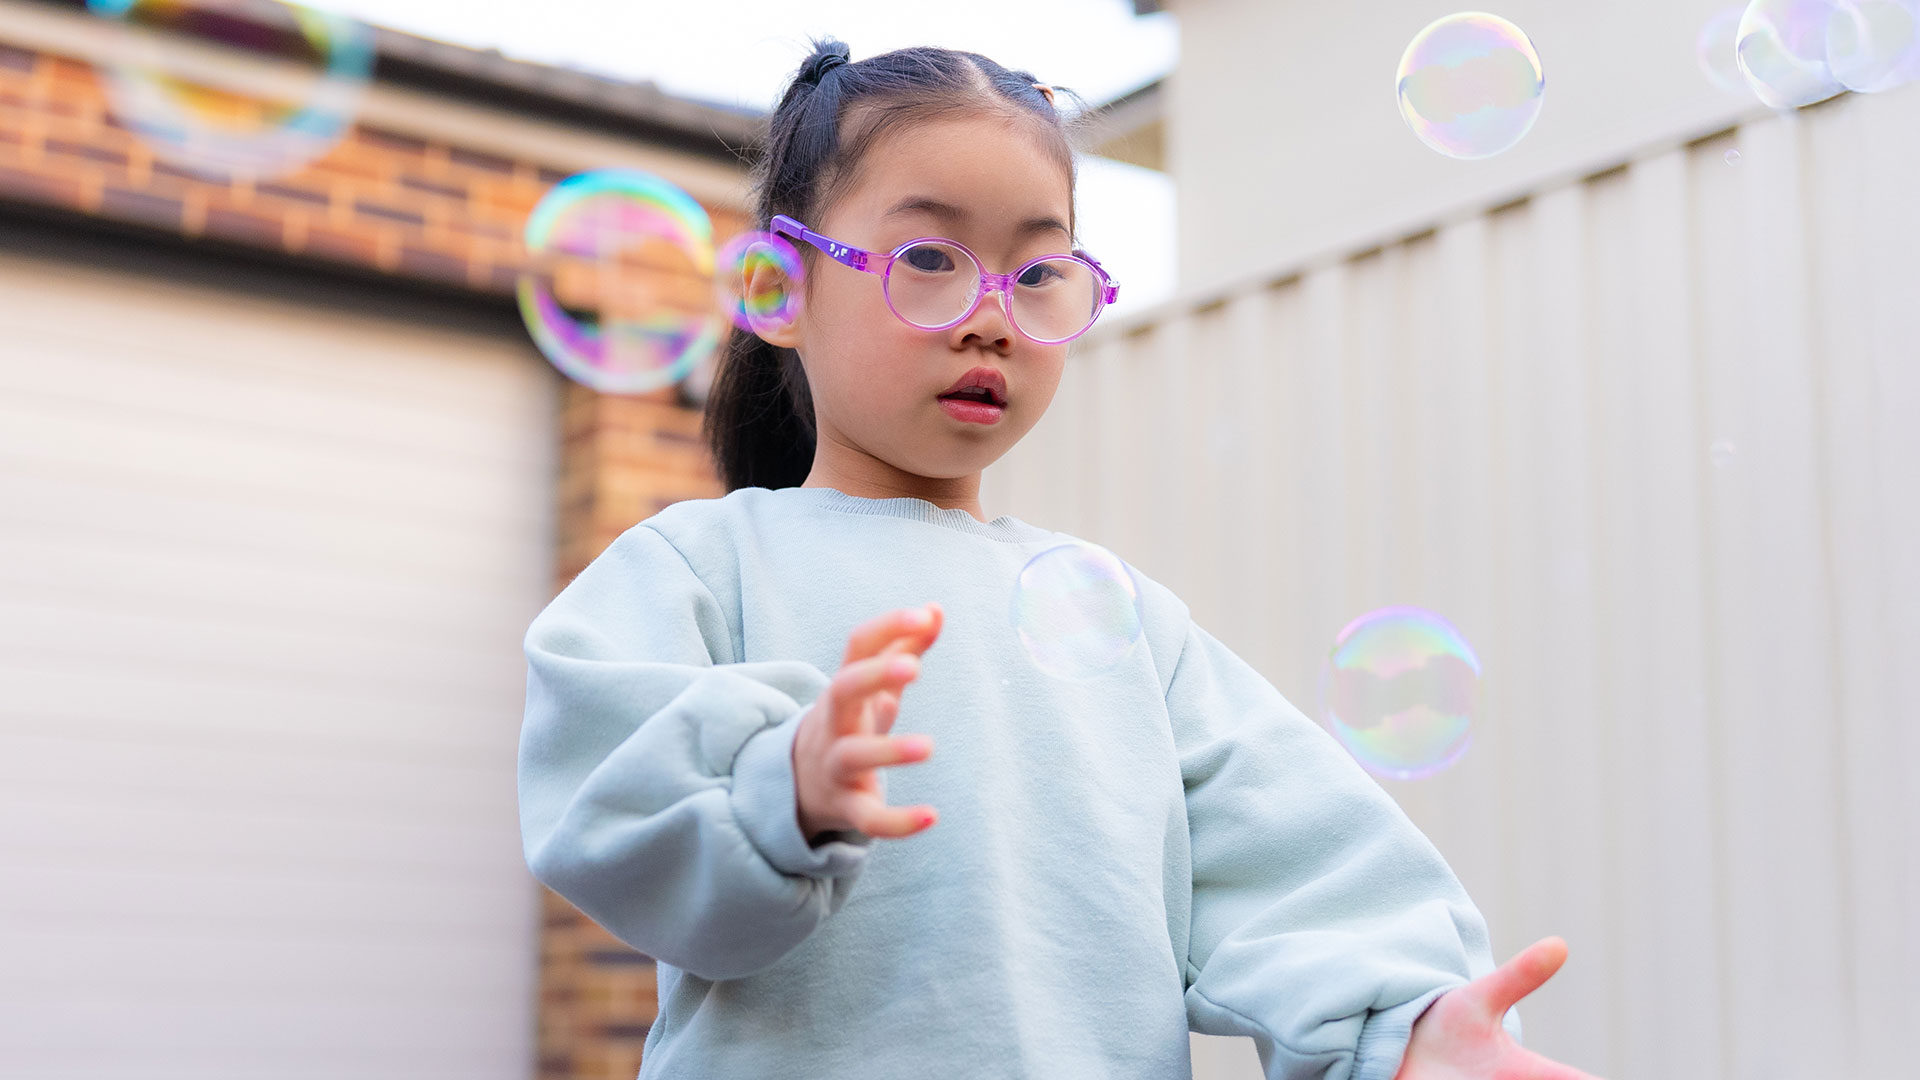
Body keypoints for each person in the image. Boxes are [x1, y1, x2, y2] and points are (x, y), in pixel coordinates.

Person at [517, 36, 1602, 1080]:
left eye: (1039, 273)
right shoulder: (700, 567)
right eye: (931, 259)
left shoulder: (1125, 623)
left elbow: (1305, 869)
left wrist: (1407, 1031)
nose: (993, 317)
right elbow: (606, 812)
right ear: (780, 291)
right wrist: (780, 790)